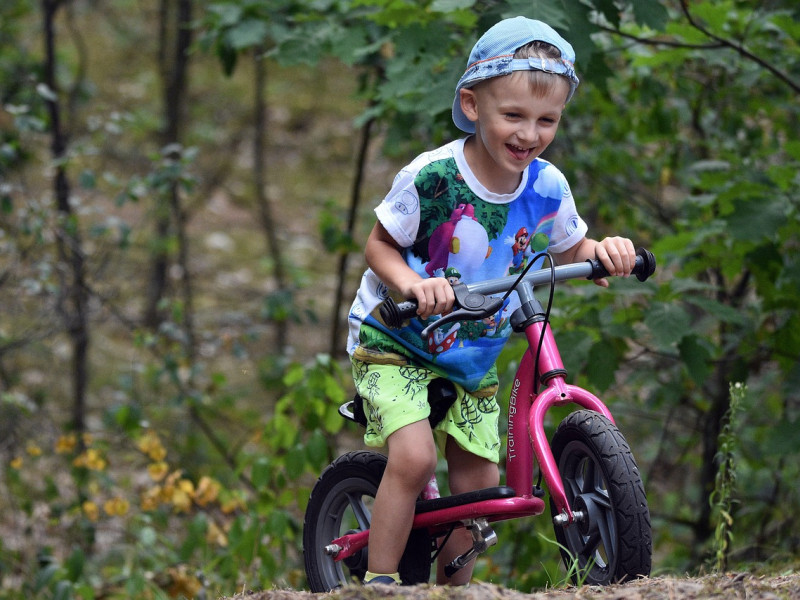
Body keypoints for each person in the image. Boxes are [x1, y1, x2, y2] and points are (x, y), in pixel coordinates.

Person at [345, 16, 636, 586]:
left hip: (471, 356)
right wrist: (412, 285)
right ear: (473, 105)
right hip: (395, 342)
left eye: (547, 120)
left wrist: (606, 250)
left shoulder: (547, 185)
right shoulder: (432, 178)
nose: (530, 134)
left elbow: (572, 242)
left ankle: (452, 590)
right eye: (514, 116)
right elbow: (377, 246)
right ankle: (379, 582)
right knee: (414, 459)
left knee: (479, 490)